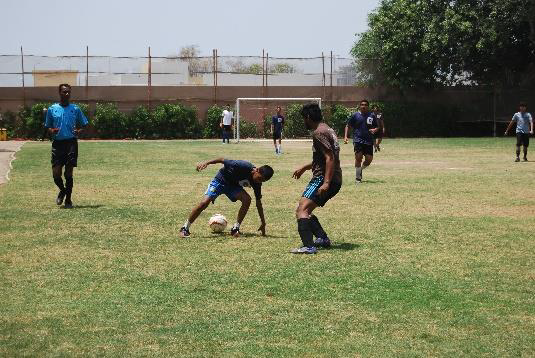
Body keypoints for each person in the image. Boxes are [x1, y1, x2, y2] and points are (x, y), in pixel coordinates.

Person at [291, 103, 342, 254]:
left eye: (303, 119)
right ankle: (322, 238)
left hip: (323, 179)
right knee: (306, 209)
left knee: (302, 210)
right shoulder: (328, 129)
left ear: (308, 117)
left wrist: (326, 182)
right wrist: (305, 167)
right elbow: (325, 157)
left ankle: (309, 246)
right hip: (335, 178)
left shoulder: (318, 133)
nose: (304, 122)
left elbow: (329, 157)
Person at [179, 158, 274, 238]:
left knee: (247, 199)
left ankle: (235, 228)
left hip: (233, 187)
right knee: (204, 203)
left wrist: (263, 222)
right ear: (256, 170)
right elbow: (222, 159)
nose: (259, 181)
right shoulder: (242, 165)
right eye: (259, 178)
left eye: (262, 181)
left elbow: (258, 203)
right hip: (220, 181)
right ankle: (185, 228)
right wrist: (206, 163)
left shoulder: (257, 184)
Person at [44, 83, 89, 208]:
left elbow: (85, 124)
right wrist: (52, 131)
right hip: (57, 144)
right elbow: (47, 126)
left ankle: (68, 199)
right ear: (59, 93)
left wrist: (78, 131)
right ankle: (62, 190)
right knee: (56, 173)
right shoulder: (52, 109)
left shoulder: (75, 108)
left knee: (69, 173)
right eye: (64, 92)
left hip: (71, 144)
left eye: (68, 92)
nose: (67, 94)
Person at [344, 99, 379, 183]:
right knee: (358, 157)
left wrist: (374, 130)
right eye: (362, 104)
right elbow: (348, 125)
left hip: (368, 140)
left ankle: (360, 170)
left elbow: (377, 127)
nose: (364, 106)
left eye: (365, 105)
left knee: (369, 159)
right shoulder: (355, 115)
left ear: (368, 106)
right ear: (360, 106)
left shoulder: (372, 116)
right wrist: (346, 136)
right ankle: (358, 178)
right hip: (358, 140)